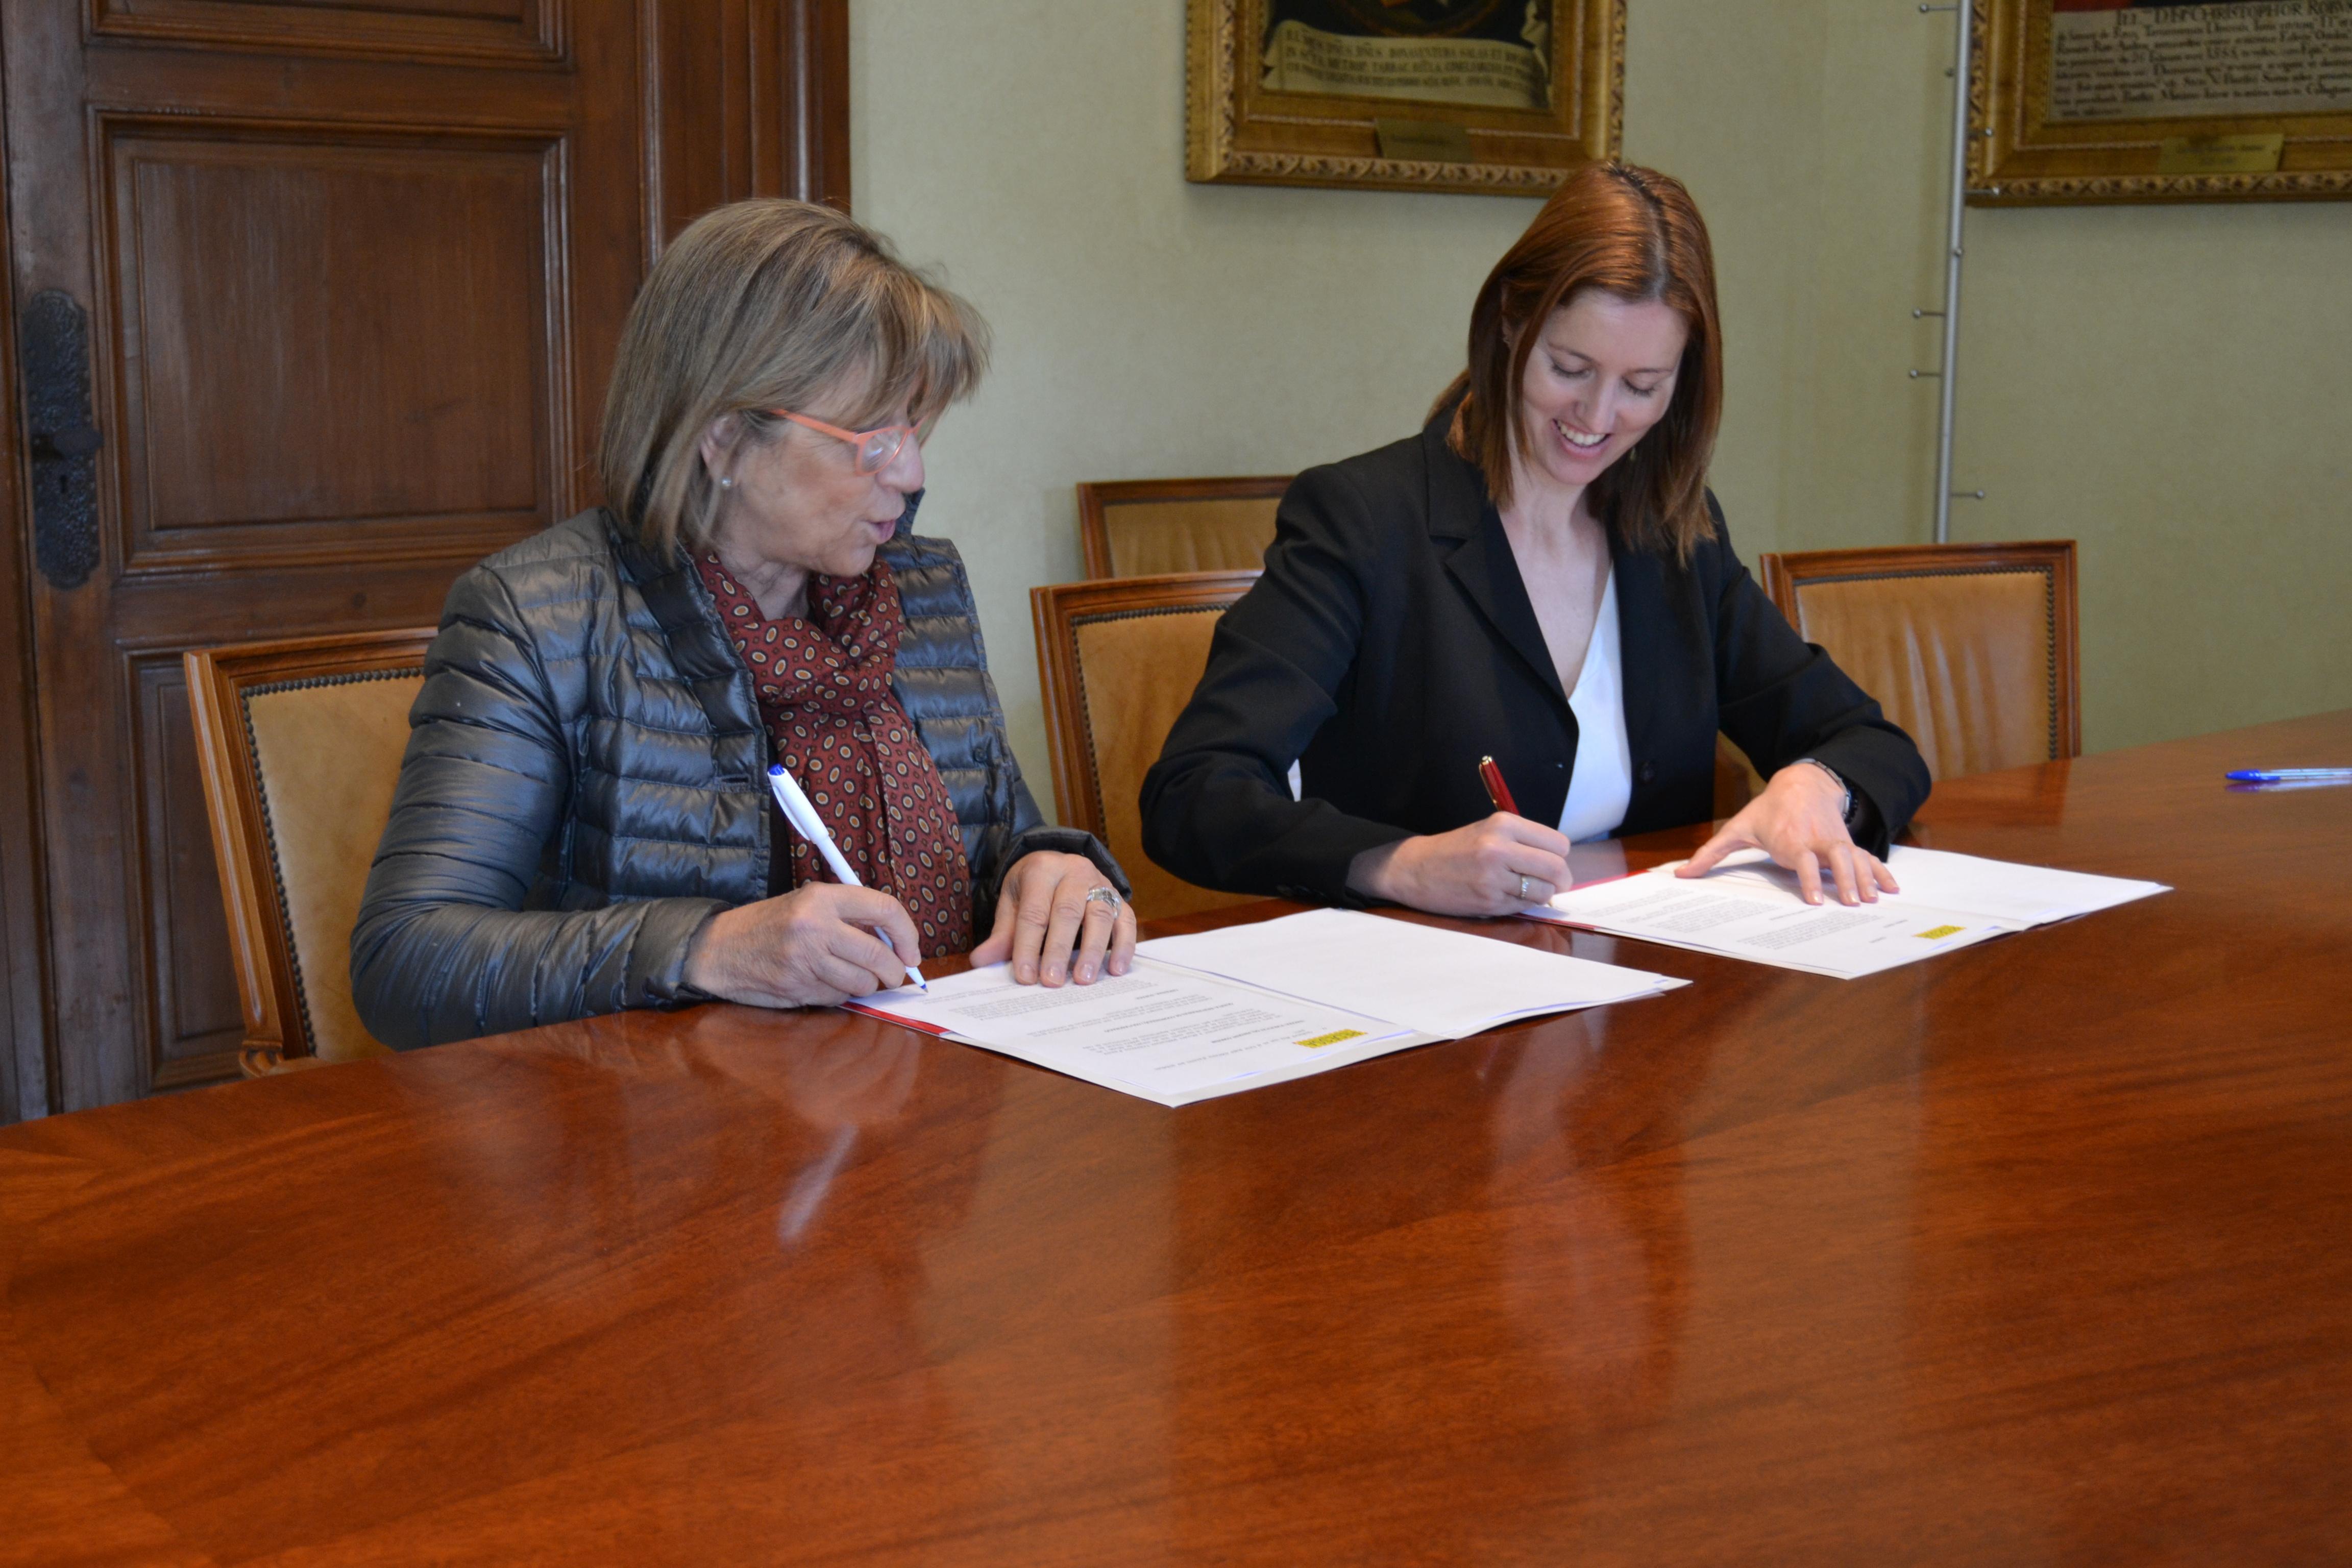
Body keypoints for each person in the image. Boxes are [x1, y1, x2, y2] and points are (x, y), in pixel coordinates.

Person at [353, 200, 1133, 1050]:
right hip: (665, 1110)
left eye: (912, 427)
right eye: (870, 437)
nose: (911, 473)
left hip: (935, 1080)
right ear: (723, 438)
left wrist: (1050, 869)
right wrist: (705, 949)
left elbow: (1003, 841)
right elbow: (408, 962)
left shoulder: (922, 585)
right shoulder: (538, 616)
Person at [1142, 161, 1930, 917]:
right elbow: (1194, 792)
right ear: (1511, 322)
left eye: (1642, 386)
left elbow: (1870, 741)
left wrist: (1817, 784)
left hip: (1654, 983)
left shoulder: (1675, 536)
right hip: (1421, 980)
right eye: (1570, 368)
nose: (1597, 416)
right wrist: (1398, 863)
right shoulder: (1364, 519)